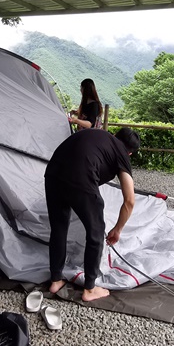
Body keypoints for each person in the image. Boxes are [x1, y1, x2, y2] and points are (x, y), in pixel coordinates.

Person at [44, 127, 141, 302]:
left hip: (53, 172)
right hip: (81, 176)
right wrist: (117, 229)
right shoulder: (122, 154)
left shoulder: (99, 135)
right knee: (96, 233)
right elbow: (130, 201)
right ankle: (89, 288)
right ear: (130, 154)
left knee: (58, 227)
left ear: (113, 135)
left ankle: (55, 280)